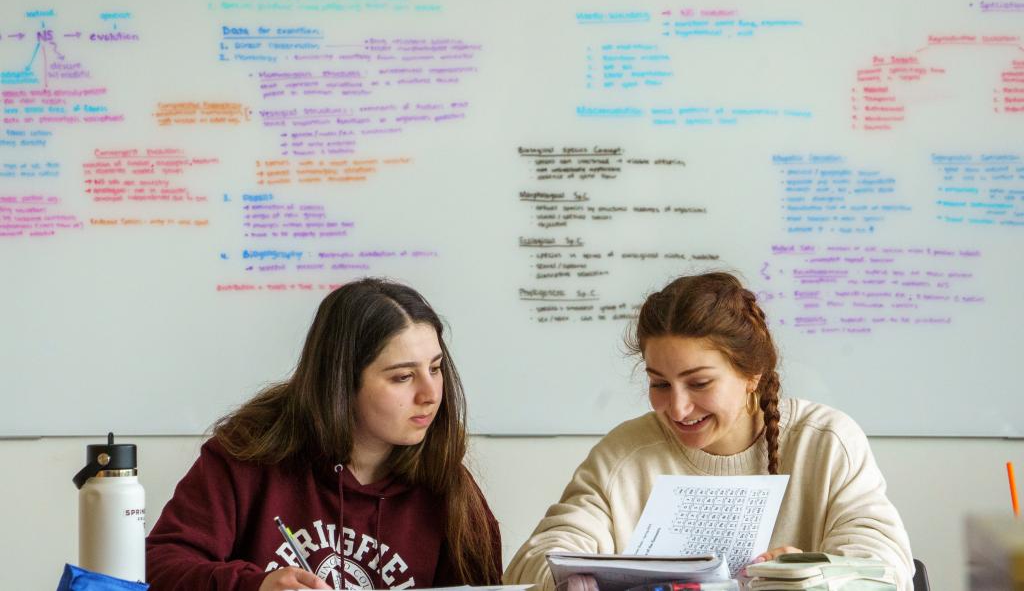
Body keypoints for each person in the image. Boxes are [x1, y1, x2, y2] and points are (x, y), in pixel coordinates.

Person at [503, 271, 914, 591]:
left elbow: (885, 567)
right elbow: (538, 560)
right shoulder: (624, 454)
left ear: (752, 374)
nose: (678, 408)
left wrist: (811, 577)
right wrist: (563, 580)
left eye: (699, 383)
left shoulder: (825, 442)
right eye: (659, 384)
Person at [147, 278, 502, 591]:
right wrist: (253, 587)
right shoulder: (247, 456)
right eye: (402, 377)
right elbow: (157, 566)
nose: (430, 394)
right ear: (342, 383)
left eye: (435, 368)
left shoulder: (447, 484)